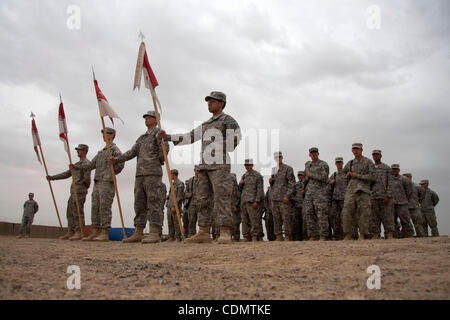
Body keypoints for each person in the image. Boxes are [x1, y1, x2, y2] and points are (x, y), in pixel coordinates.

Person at [158, 91, 241, 244]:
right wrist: (168, 137)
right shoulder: (206, 124)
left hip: (219, 166)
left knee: (222, 198)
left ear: (221, 103)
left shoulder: (228, 120)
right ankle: (203, 231)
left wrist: (218, 143)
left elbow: (234, 140)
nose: (209, 103)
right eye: (208, 101)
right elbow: (189, 136)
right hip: (203, 166)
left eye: (212, 101)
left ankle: (224, 231)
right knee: (202, 199)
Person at [110, 111, 169, 244]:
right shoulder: (142, 138)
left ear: (156, 120)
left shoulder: (159, 134)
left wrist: (162, 140)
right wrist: (117, 159)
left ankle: (154, 231)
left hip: (153, 173)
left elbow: (164, 154)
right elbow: (132, 152)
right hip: (140, 174)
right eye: (146, 117)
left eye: (149, 117)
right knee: (139, 203)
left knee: (153, 202)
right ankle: (139, 231)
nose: (146, 119)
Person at [71, 127, 124, 241]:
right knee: (95, 207)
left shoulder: (114, 150)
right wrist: (77, 167)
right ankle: (95, 231)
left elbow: (120, 164)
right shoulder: (101, 152)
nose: (105, 135)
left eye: (107, 133)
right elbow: (91, 165)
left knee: (104, 207)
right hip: (98, 181)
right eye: (104, 133)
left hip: (107, 182)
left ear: (112, 135)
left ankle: (104, 232)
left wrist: (112, 171)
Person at [47, 144, 91, 241]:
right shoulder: (76, 165)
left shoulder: (86, 163)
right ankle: (71, 231)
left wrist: (82, 185)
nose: (77, 151)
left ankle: (79, 231)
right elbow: (66, 174)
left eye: (79, 150)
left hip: (80, 190)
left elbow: (87, 179)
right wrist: (52, 178)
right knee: (70, 210)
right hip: (73, 190)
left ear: (84, 151)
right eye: (77, 150)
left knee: (78, 211)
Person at [342, 143, 376, 240]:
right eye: (354, 149)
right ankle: (348, 234)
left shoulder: (368, 162)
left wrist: (357, 176)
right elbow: (344, 174)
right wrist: (348, 176)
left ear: (361, 150)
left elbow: (373, 177)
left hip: (363, 190)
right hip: (351, 191)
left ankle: (362, 234)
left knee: (364, 213)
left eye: (357, 149)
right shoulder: (350, 163)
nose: (355, 151)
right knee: (347, 212)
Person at [303, 147, 330, 241]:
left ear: (318, 154)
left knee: (321, 214)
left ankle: (323, 235)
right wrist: (305, 180)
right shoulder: (307, 165)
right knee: (309, 213)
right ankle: (313, 235)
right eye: (312, 153)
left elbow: (325, 177)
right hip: (309, 193)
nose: (313, 154)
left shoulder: (323, 164)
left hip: (320, 193)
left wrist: (311, 175)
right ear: (309, 155)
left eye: (315, 153)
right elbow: (304, 178)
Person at [370, 150, 395, 239]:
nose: (375, 157)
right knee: (374, 217)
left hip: (384, 196)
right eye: (374, 155)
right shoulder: (371, 168)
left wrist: (388, 195)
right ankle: (376, 234)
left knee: (387, 216)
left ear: (380, 156)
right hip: (373, 196)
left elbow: (391, 183)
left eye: (377, 155)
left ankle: (389, 233)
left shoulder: (386, 168)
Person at [271, 151, 296, 241]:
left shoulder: (288, 169)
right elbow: (273, 185)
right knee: (276, 218)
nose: (278, 159)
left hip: (284, 198)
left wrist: (287, 196)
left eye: (279, 157)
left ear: (282, 157)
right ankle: (278, 236)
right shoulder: (274, 169)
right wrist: (271, 182)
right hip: (274, 198)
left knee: (286, 218)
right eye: (276, 157)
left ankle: (288, 236)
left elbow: (292, 184)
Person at [239, 159, 264, 242]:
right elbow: (240, 190)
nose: (247, 166)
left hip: (252, 201)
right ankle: (246, 236)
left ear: (252, 165)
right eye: (246, 165)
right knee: (244, 220)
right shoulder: (244, 175)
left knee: (254, 219)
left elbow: (260, 189)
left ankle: (254, 236)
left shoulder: (257, 175)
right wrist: (240, 184)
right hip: (244, 201)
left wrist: (256, 201)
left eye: (248, 165)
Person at [390, 164, 414, 238]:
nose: (394, 170)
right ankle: (396, 235)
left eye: (396, 169)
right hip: (392, 203)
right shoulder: (389, 179)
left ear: (398, 170)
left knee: (405, 220)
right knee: (392, 220)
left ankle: (408, 235)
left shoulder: (404, 179)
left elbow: (409, 191)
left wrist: (405, 199)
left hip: (402, 203)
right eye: (393, 169)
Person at [328, 157, 347, 240]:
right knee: (335, 218)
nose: (339, 164)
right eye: (337, 163)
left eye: (340, 162)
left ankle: (347, 235)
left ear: (342, 163)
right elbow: (328, 187)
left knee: (345, 217)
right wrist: (331, 183)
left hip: (344, 198)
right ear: (335, 164)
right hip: (335, 199)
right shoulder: (333, 175)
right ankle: (337, 236)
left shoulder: (346, 174)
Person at [165, 169, 185, 242]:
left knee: (176, 222)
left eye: (171, 174)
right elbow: (172, 195)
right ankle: (171, 237)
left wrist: (174, 206)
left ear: (174, 174)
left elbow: (179, 197)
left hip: (175, 206)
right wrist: (168, 197)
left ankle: (178, 237)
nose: (170, 176)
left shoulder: (180, 184)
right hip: (169, 205)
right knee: (170, 222)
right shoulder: (172, 184)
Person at [403, 173, 424, 237]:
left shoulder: (416, 186)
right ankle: (409, 236)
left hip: (414, 206)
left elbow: (422, 195)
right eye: (404, 177)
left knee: (418, 222)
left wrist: (417, 201)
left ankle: (420, 235)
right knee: (406, 222)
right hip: (404, 206)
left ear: (410, 177)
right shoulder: (401, 186)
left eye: (407, 177)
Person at [184, 166, 201, 238]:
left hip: (201, 203)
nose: (198, 172)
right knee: (191, 221)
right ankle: (192, 235)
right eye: (197, 170)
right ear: (194, 170)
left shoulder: (203, 180)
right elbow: (185, 193)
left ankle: (201, 235)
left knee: (202, 221)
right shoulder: (190, 180)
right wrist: (188, 195)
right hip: (192, 204)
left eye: (199, 171)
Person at [263, 171, 276, 241]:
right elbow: (265, 200)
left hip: (278, 210)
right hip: (269, 210)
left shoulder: (279, 188)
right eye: (271, 177)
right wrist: (267, 208)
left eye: (273, 178)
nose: (272, 179)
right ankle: (270, 238)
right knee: (268, 223)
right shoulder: (269, 189)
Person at [292, 171, 305, 241]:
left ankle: (305, 237)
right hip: (297, 206)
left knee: (304, 222)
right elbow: (292, 194)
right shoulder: (295, 185)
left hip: (304, 206)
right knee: (296, 223)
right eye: (299, 175)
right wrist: (295, 199)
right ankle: (298, 237)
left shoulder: (306, 184)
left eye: (301, 175)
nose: (300, 176)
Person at [230, 173, 242, 241]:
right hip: (230, 208)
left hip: (235, 208)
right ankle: (231, 237)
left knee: (236, 223)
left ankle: (236, 238)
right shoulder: (229, 187)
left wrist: (236, 206)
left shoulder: (237, 188)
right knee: (230, 223)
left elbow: (239, 198)